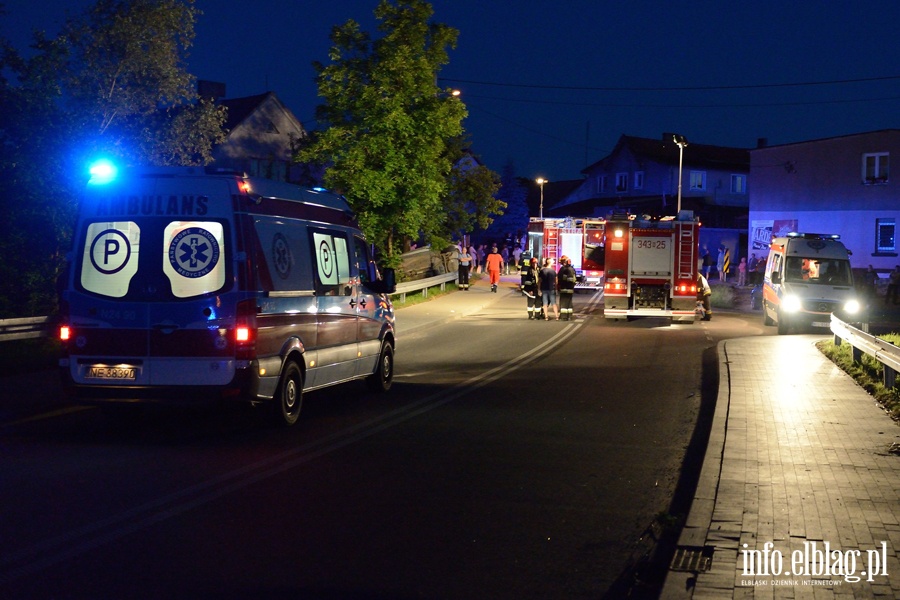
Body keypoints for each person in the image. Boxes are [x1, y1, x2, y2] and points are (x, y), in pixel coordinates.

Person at [557, 255, 577, 320]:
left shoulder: (563, 269)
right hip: (570, 289)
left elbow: (560, 279)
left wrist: (558, 287)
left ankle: (563, 316)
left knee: (563, 303)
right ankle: (569, 316)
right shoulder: (572, 269)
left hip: (564, 288)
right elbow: (573, 280)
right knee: (569, 302)